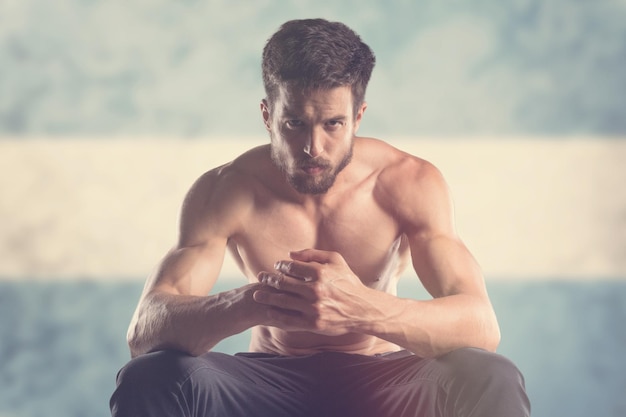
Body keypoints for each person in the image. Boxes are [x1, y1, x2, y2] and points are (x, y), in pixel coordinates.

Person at [110, 18, 530, 417]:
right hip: (266, 380)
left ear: (358, 117)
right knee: (151, 375)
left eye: (333, 124)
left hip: (385, 381)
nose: (313, 146)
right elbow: (145, 331)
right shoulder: (226, 189)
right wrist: (257, 300)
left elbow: (480, 325)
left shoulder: (408, 183)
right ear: (266, 116)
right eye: (294, 123)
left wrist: (361, 308)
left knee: (491, 375)